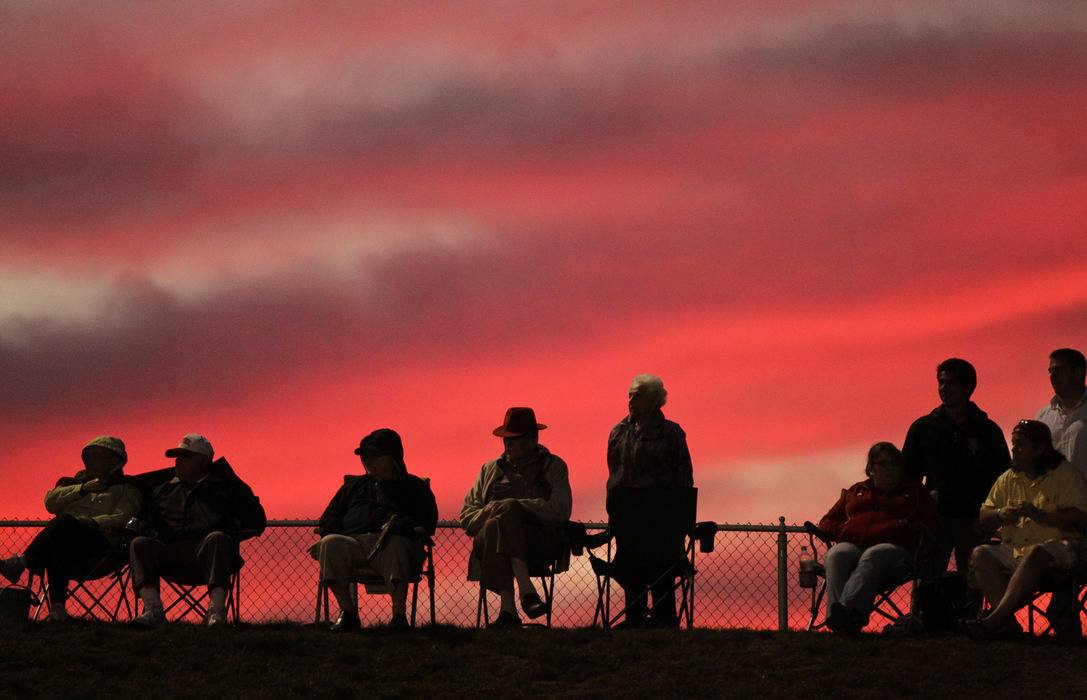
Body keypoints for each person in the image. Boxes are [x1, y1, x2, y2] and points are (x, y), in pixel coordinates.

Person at [965, 420, 1087, 640]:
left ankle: (994, 620)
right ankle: (1007, 625)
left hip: (1059, 548)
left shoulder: (1064, 475)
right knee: (980, 553)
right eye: (1013, 444)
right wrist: (1001, 513)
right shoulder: (1009, 478)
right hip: (1016, 548)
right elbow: (984, 515)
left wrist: (1040, 515)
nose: (1014, 450)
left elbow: (1080, 517)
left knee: (1036, 552)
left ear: (1040, 449)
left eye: (1020, 445)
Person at [129, 434, 266, 627]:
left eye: (186, 457)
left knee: (217, 538)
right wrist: (147, 530)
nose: (178, 461)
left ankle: (217, 611)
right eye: (178, 457)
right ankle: (153, 609)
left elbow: (256, 520)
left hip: (208, 553)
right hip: (169, 552)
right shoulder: (163, 491)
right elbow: (144, 520)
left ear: (203, 462)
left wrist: (230, 530)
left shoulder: (227, 489)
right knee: (140, 543)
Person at [0, 436, 140, 621]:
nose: (91, 461)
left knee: (65, 522)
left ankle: (22, 561)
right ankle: (58, 609)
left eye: (98, 456)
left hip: (101, 542)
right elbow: (50, 503)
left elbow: (123, 517)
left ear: (115, 460)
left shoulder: (127, 488)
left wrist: (94, 522)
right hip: (68, 541)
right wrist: (82, 488)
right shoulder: (73, 483)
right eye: (89, 457)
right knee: (59, 544)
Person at [310, 429, 438, 632]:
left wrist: (401, 526)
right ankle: (348, 613)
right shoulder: (354, 486)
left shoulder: (414, 487)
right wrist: (329, 535)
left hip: (392, 544)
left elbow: (427, 520)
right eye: (365, 457)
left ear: (393, 457)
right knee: (330, 543)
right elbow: (329, 516)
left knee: (396, 545)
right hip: (354, 544)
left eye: (374, 456)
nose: (368, 461)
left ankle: (398, 616)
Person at [460, 407, 572, 628]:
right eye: (506, 439)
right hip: (489, 543)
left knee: (496, 525)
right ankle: (526, 590)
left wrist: (515, 506)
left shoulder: (554, 467)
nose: (507, 444)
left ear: (532, 440)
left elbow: (560, 510)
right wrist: (492, 509)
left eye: (514, 439)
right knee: (496, 522)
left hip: (538, 542)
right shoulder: (489, 470)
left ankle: (508, 611)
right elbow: (467, 517)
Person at [816, 442, 939, 634]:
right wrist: (844, 531)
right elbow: (826, 522)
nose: (891, 469)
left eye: (895, 464)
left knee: (875, 553)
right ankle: (843, 621)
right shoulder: (856, 491)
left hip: (897, 553)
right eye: (884, 464)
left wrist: (903, 535)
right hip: (855, 546)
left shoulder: (914, 493)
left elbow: (931, 526)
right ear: (871, 468)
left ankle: (847, 609)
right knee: (837, 554)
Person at [903, 358, 1010, 573]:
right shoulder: (923, 428)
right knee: (929, 582)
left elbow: (1004, 478)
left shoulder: (987, 430)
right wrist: (918, 511)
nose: (944, 389)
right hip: (934, 519)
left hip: (974, 520)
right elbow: (908, 477)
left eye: (950, 383)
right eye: (941, 383)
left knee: (972, 581)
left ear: (967, 387)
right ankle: (928, 608)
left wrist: (990, 517)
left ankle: (970, 608)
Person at [606, 374, 693, 628]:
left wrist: (682, 518)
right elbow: (613, 475)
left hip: (663, 522)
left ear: (655, 400)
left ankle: (664, 620)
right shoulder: (618, 432)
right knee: (632, 568)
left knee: (661, 569)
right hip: (628, 522)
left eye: (638, 395)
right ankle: (635, 620)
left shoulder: (672, 433)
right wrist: (615, 510)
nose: (631, 399)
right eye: (630, 394)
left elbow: (684, 476)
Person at [1035, 348, 1087, 480]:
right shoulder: (1043, 417)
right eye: (1051, 371)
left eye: (1059, 370)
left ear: (1078, 372)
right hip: (1051, 498)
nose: (1052, 376)